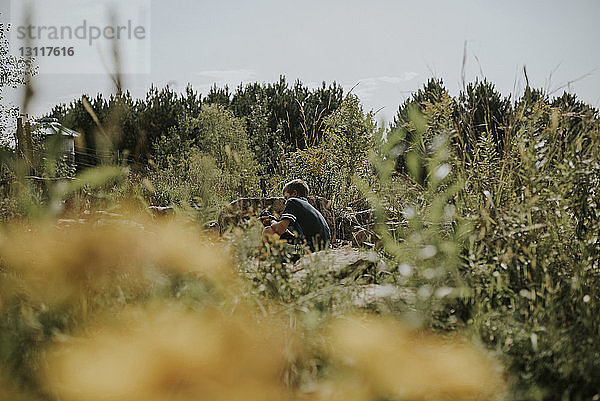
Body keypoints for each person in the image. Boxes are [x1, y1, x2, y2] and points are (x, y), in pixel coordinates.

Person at [262, 179, 331, 251]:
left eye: (286, 197)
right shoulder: (307, 207)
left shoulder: (293, 201)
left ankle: (270, 258)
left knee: (268, 230)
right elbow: (296, 237)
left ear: (294, 193)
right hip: (323, 247)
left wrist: (271, 221)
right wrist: (277, 222)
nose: (286, 202)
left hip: (311, 249)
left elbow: (280, 229)